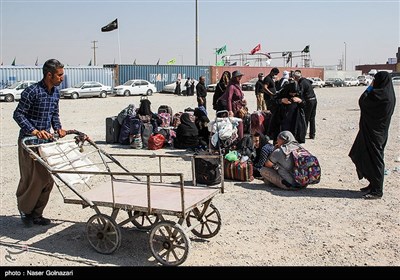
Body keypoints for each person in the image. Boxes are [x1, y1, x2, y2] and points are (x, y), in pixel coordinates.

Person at [13, 59, 67, 227]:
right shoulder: (32, 91)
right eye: (59, 75)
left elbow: (54, 114)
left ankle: (37, 214)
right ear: (49, 75)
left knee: (47, 179)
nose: (62, 78)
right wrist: (34, 131)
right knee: (31, 179)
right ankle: (25, 211)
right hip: (29, 142)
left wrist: (58, 128)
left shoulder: (56, 92)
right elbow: (18, 115)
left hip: (46, 142)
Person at [349, 71, 396, 199]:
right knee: (362, 154)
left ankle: (377, 190)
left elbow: (362, 101)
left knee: (375, 159)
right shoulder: (387, 94)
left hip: (375, 133)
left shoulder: (381, 96)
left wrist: (370, 87)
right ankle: (373, 183)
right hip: (372, 131)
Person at [217, 70, 247, 139]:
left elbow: (239, 96)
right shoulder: (231, 86)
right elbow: (229, 99)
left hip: (238, 107)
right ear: (234, 77)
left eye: (240, 76)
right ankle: (238, 139)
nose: (240, 78)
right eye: (238, 77)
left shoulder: (238, 85)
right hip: (233, 108)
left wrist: (243, 102)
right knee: (237, 123)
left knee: (240, 122)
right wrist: (230, 110)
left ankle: (240, 138)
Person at [293, 70, 317, 139]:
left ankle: (302, 134)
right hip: (314, 100)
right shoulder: (306, 80)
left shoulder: (301, 83)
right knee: (312, 118)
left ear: (296, 78)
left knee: (305, 118)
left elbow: (300, 93)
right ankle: (312, 134)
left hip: (309, 101)